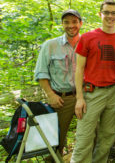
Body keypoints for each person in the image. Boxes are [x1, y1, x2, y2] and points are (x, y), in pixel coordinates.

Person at [71, 0, 115, 163]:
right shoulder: (88, 37)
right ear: (100, 14)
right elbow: (79, 69)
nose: (110, 16)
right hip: (92, 92)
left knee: (107, 137)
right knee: (84, 137)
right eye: (106, 12)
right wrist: (79, 98)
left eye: (113, 13)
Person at [34, 9, 82, 156]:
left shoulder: (88, 43)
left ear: (80, 23)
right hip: (62, 99)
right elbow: (41, 73)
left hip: (85, 96)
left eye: (74, 21)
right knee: (55, 142)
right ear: (62, 24)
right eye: (66, 22)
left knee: (92, 134)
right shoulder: (50, 45)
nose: (71, 25)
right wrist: (50, 95)